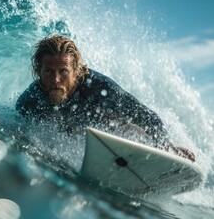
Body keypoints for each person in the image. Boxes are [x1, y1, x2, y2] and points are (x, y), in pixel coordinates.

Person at [16, 35, 195, 162]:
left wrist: (165, 147)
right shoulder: (32, 98)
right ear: (38, 71)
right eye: (48, 71)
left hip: (110, 127)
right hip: (75, 131)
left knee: (121, 123)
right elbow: (18, 124)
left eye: (63, 71)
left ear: (76, 71)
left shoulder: (100, 88)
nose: (55, 80)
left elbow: (147, 117)